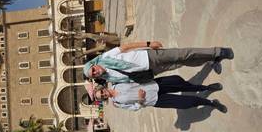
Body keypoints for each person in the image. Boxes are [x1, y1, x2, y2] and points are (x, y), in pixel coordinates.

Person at [83, 41, 234, 83]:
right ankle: (211, 59)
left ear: (94, 64)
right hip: (151, 71)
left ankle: (218, 51)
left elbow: (126, 46)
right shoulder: (110, 79)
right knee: (182, 62)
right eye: (94, 75)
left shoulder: (106, 57)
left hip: (150, 57)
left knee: (183, 54)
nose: (96, 73)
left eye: (93, 70)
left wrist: (148, 44)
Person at [92, 75, 228, 113]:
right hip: (155, 100)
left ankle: (206, 88)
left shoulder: (117, 82)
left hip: (155, 84)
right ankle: (211, 103)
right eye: (102, 97)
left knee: (182, 84)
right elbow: (134, 108)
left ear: (103, 87)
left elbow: (133, 76)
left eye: (102, 92)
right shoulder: (117, 103)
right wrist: (140, 100)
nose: (104, 95)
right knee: (186, 103)